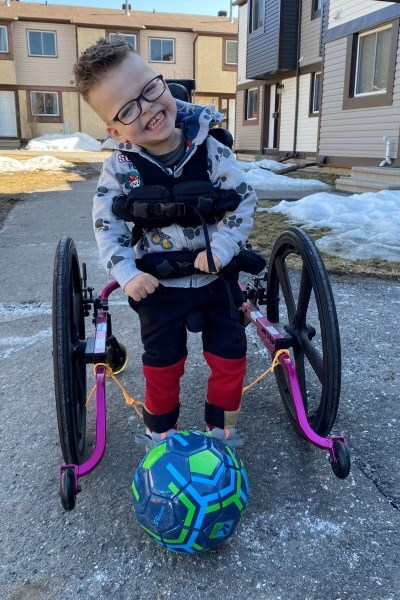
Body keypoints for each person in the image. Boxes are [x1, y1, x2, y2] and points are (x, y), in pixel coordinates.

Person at [74, 38, 260, 448]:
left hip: (217, 277)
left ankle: (221, 430)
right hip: (156, 285)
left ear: (163, 83)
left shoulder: (211, 148)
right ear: (114, 129)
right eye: (127, 109)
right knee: (162, 364)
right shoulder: (120, 169)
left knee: (230, 357)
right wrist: (125, 274)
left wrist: (226, 248)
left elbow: (242, 201)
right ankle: (161, 433)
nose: (148, 109)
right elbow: (108, 226)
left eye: (150, 89)